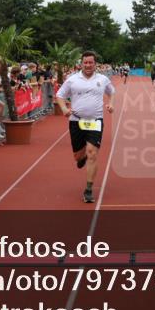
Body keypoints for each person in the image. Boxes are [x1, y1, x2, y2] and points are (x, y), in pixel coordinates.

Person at [55, 51, 115, 204]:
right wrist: (64, 109)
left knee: (92, 153)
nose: (88, 65)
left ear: (95, 64)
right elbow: (59, 95)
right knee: (78, 156)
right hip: (76, 121)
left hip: (96, 121)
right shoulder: (72, 80)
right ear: (81, 64)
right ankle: (81, 158)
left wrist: (111, 104)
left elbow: (112, 92)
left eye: (91, 62)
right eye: (85, 62)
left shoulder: (103, 79)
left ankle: (88, 189)